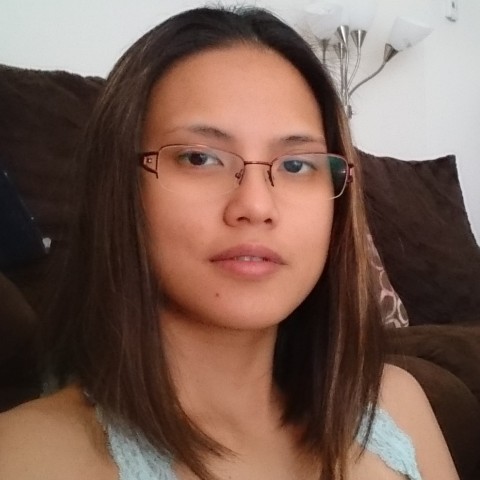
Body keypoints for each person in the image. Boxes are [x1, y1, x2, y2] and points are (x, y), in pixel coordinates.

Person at [0, 6, 458, 480]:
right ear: (119, 186)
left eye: (296, 165)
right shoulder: (26, 458)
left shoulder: (397, 405)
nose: (256, 205)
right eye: (200, 158)